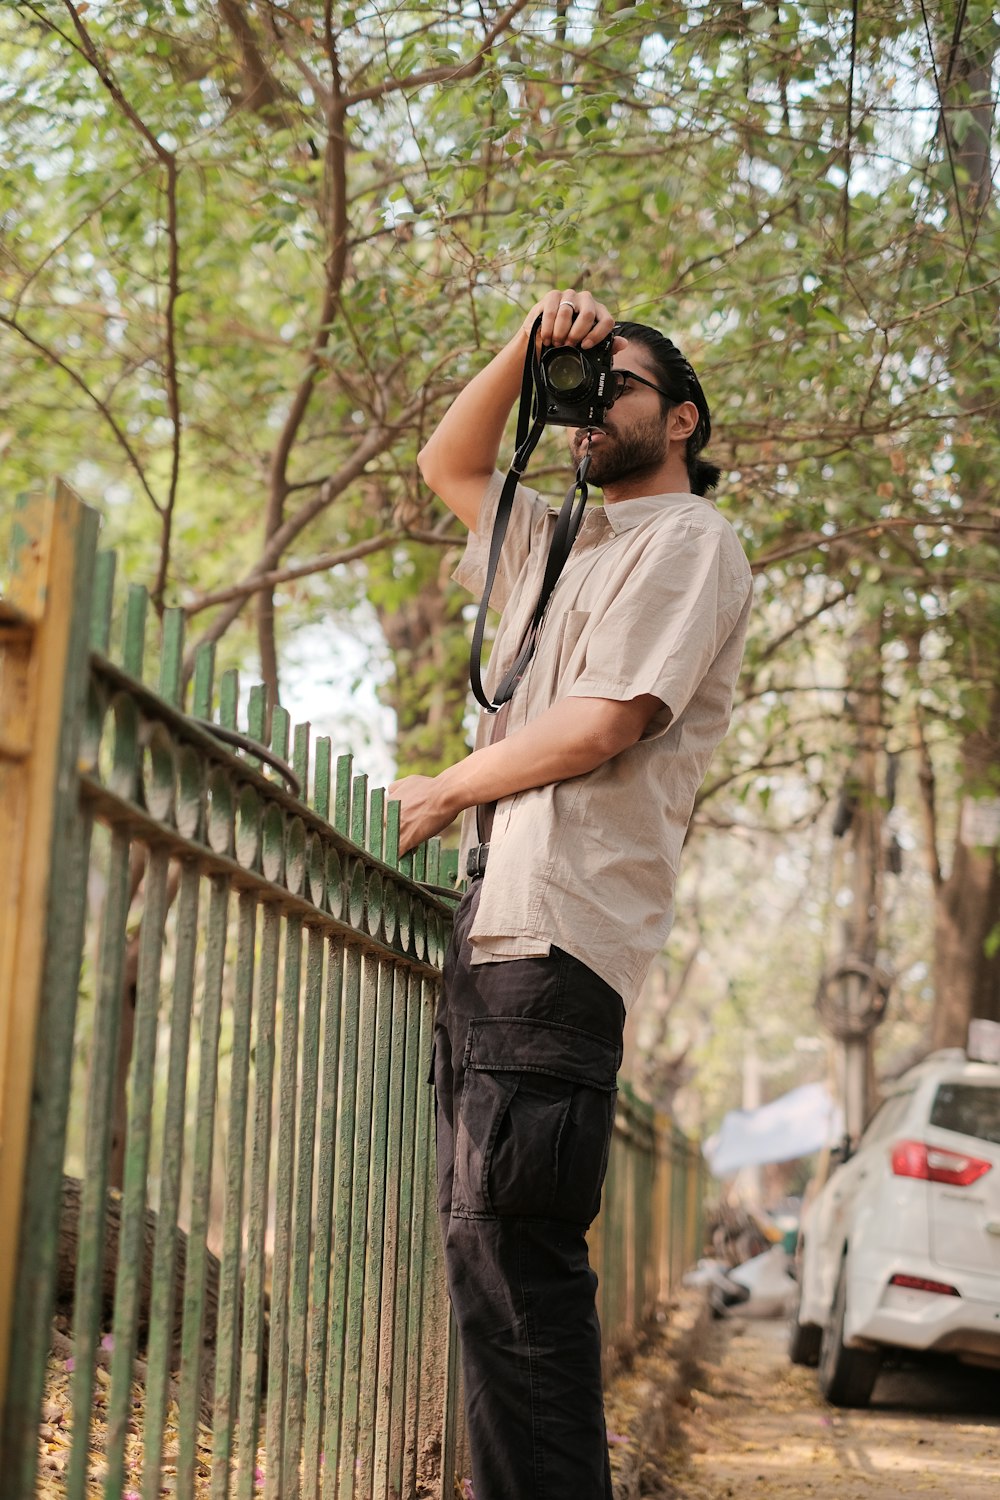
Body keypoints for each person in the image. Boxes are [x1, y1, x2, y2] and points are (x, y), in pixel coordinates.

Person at [389, 287, 752, 1500]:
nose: (594, 408)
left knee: (516, 1271)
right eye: (584, 388)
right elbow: (448, 458)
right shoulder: (561, 546)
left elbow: (605, 722)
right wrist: (531, 344)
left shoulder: (691, 542)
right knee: (490, 1272)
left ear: (684, 422)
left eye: (620, 387)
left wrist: (447, 787)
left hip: (557, 943)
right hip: (503, 930)